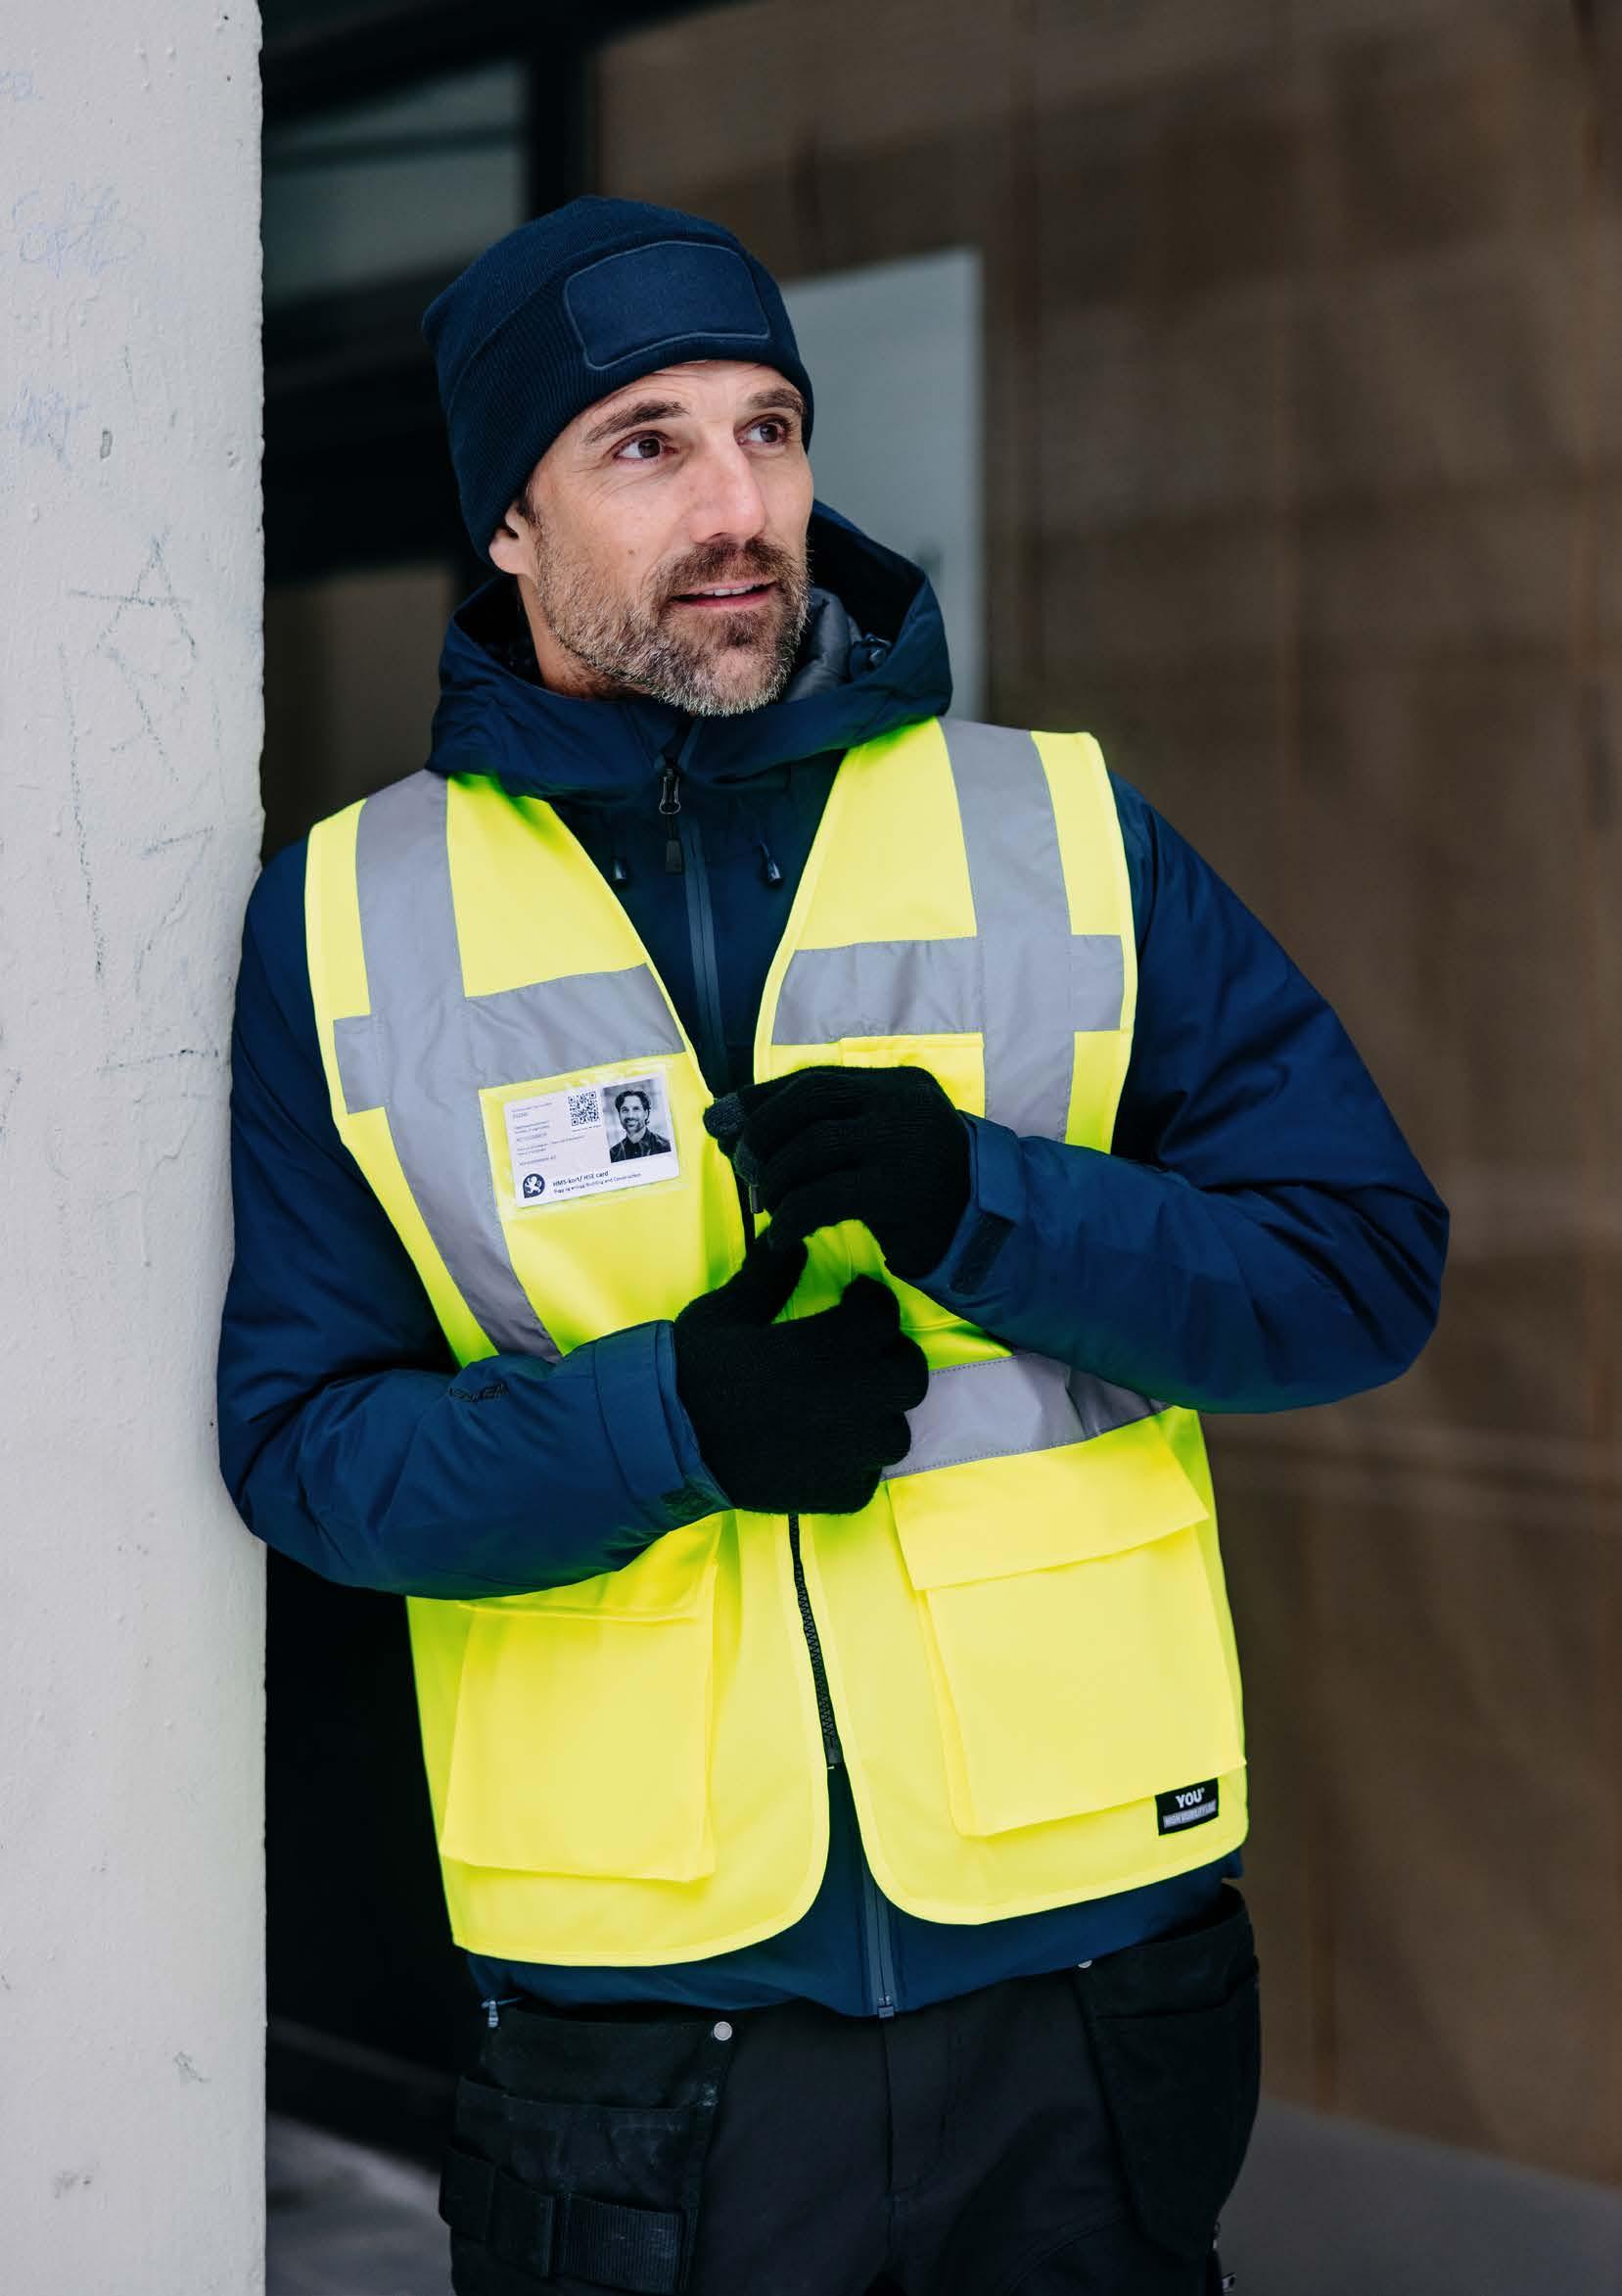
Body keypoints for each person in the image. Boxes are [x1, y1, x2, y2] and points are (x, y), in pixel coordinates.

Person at [218, 197, 1448, 2295]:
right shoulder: (344, 923)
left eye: (767, 430)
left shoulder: (1060, 831)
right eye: (645, 445)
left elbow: (1353, 1270)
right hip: (639, 2027)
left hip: (1084, 1980)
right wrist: (670, 1422)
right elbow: (305, 1450)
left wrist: (987, 1206)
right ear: (506, 522)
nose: (739, 509)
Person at [608, 1086, 672, 1161]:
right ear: (619, 1115)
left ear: (646, 1114)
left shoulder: (666, 1147)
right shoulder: (613, 1155)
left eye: (636, 1109)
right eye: (625, 1110)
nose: (630, 1116)